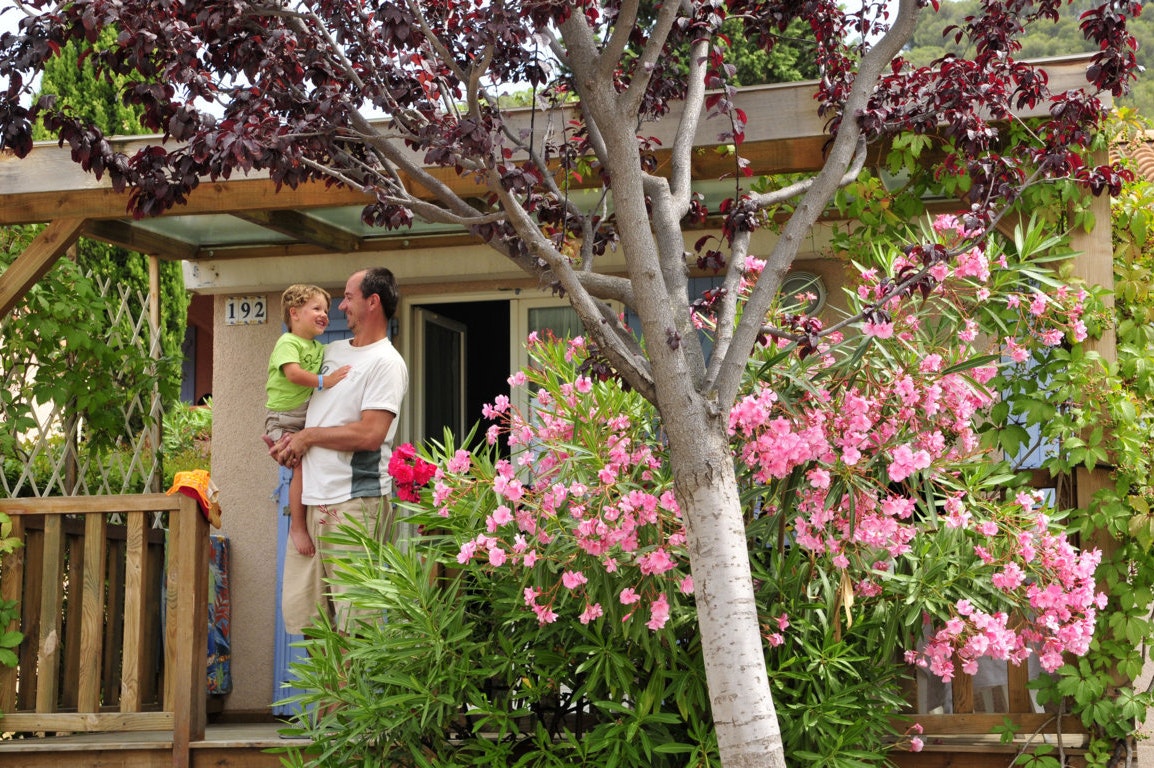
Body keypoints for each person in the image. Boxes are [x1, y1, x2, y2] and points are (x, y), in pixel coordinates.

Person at [273, 267, 409, 635]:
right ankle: (330, 697)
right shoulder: (330, 351)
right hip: (311, 503)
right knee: (312, 624)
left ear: (372, 301)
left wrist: (309, 437)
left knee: (354, 626)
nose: (341, 305)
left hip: (355, 503)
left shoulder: (387, 363)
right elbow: (298, 401)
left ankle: (350, 696)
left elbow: (371, 433)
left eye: (349, 297)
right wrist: (286, 441)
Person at [264, 284, 351, 558]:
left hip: (303, 417)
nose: (324, 314)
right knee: (298, 469)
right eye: (316, 308)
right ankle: (297, 527)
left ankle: (319, 517)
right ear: (295, 313)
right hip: (284, 419)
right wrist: (327, 380)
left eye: (325, 310)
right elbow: (293, 374)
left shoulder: (316, 346)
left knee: (309, 462)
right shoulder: (287, 343)